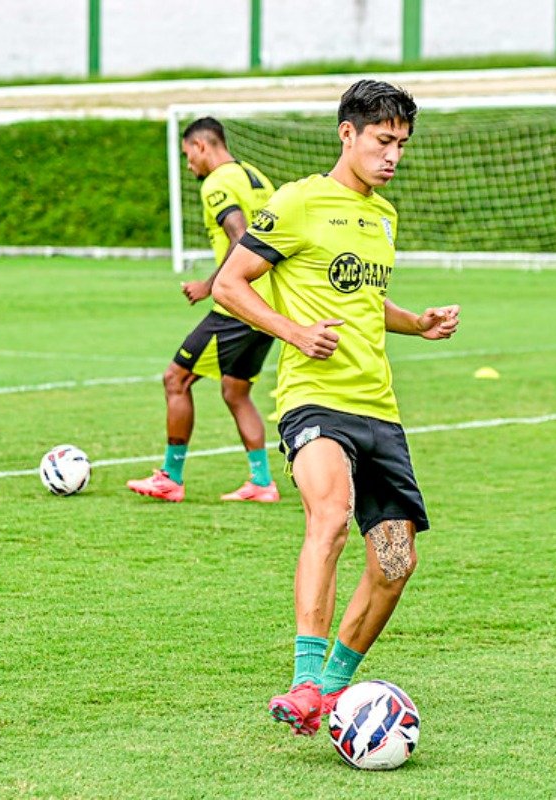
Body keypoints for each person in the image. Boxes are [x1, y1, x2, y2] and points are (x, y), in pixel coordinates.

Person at [213, 79, 460, 736]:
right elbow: (228, 284)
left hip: (379, 407)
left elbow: (362, 300)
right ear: (347, 134)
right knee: (331, 514)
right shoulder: (296, 203)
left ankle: (330, 691)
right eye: (383, 141)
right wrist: (293, 331)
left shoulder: (383, 217)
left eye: (402, 144)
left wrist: (418, 322)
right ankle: (302, 678)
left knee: (395, 563)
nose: (393, 156)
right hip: (313, 401)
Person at [125, 118, 281, 503]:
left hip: (238, 306)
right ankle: (261, 483)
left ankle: (170, 478)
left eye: (187, 156)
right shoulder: (257, 177)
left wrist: (209, 285)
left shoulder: (217, 183)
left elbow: (240, 234)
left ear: (201, 147)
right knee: (235, 391)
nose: (189, 166)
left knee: (175, 379)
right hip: (270, 306)